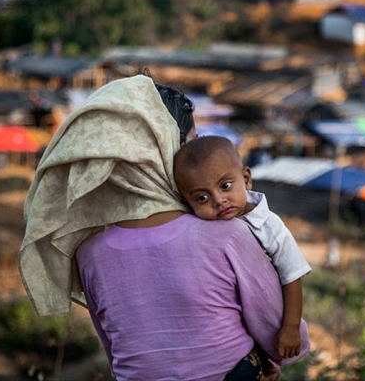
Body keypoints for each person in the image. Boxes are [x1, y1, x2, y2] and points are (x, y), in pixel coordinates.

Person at [18, 74, 310, 380]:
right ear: (157, 148)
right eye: (190, 145)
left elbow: (115, 349)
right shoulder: (226, 233)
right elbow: (282, 339)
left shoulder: (89, 254)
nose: (198, 159)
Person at [173, 135, 312, 360]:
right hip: (229, 329)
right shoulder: (199, 231)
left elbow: (292, 276)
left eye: (225, 186)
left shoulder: (270, 226)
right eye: (201, 197)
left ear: (246, 179)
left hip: (271, 324)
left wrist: (291, 327)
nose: (218, 200)